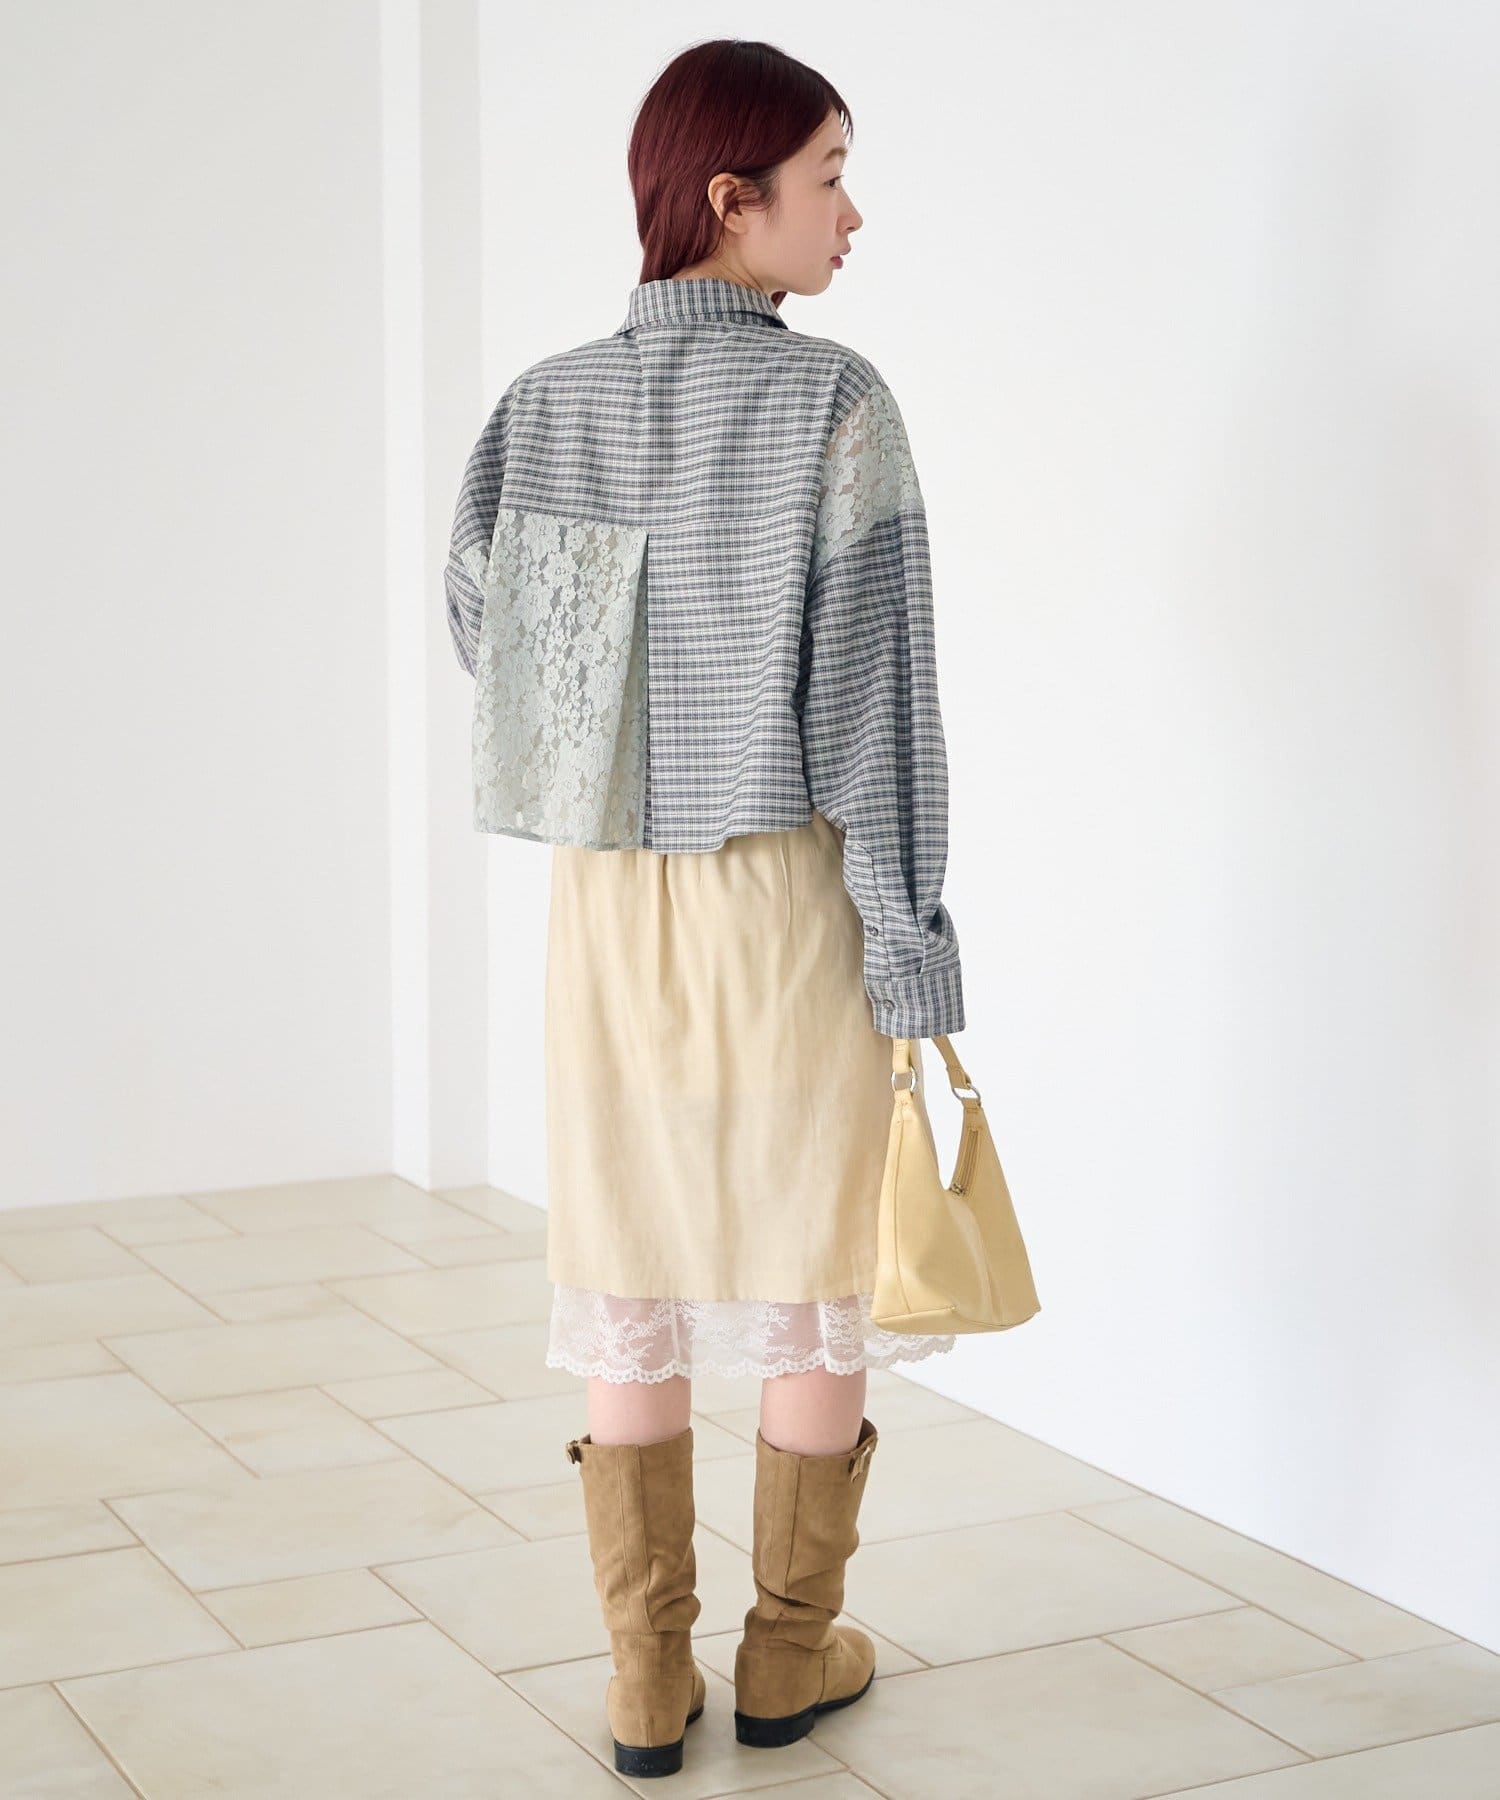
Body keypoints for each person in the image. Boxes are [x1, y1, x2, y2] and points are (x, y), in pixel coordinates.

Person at [443, 37, 966, 1779]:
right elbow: (878, 709)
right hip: (784, 902)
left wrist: (623, 712)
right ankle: (785, 1662)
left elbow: (483, 624)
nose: (852, 215)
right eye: (830, 177)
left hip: (607, 913)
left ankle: (642, 1682)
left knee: (632, 1267)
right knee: (812, 1270)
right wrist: (911, 942)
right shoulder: (836, 406)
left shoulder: (542, 407)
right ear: (731, 199)